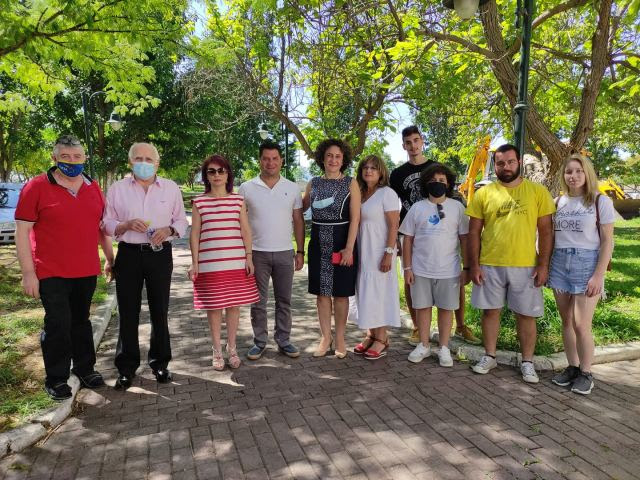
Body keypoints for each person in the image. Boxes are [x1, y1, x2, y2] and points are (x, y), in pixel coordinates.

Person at [14, 135, 113, 400]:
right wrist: (28, 273)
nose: (72, 161)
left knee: (81, 321)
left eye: (77, 156)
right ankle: (56, 378)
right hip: (50, 270)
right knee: (58, 322)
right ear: (54, 158)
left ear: (85, 158)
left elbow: (101, 228)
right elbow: (22, 232)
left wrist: (109, 258)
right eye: (65, 157)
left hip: (86, 269)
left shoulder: (93, 187)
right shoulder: (36, 187)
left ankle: (84, 368)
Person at [466, 144, 555, 383]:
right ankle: (489, 356)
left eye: (510, 162)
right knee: (490, 312)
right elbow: (473, 232)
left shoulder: (537, 192)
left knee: (526, 315)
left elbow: (546, 231)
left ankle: (527, 362)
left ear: (519, 163)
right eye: (500, 163)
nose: (506, 167)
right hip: (489, 264)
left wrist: (543, 265)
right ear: (495, 166)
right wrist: (474, 265)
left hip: (526, 265)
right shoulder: (483, 194)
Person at [103, 142, 188, 389]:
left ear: (157, 163)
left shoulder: (171, 188)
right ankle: (126, 367)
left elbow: (181, 221)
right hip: (128, 254)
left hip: (159, 254)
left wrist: (169, 230)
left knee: (159, 309)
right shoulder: (117, 189)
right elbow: (106, 223)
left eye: (149, 159)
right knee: (128, 311)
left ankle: (160, 363)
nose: (144, 163)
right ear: (130, 162)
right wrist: (125, 225)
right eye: (138, 159)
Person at [390, 125, 479, 346]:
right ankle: (418, 327)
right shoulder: (397, 174)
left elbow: (451, 195)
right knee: (412, 280)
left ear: (422, 141)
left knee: (452, 277)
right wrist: (396, 237)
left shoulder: (435, 168)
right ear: (403, 146)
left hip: (441, 229)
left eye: (416, 140)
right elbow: (393, 204)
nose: (413, 146)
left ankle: (460, 325)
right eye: (408, 142)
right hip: (411, 229)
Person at [549, 154, 614, 395]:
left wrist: (598, 275)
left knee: (581, 324)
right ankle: (573, 367)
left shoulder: (599, 201)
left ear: (587, 173)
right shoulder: (558, 202)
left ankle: (586, 373)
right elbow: (551, 237)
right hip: (559, 263)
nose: (573, 176)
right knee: (566, 321)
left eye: (578, 171)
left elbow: (607, 241)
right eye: (569, 172)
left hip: (586, 263)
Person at [189, 155, 259, 370]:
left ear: (228, 174)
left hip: (235, 262)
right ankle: (217, 350)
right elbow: (195, 234)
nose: (217, 175)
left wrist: (249, 257)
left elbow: (245, 230)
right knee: (214, 307)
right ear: (206, 176)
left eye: (221, 171)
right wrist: (194, 263)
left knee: (234, 306)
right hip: (209, 263)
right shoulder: (199, 202)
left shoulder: (238, 200)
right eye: (211, 171)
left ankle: (232, 348)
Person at [238, 141, 305, 360]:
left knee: (284, 301)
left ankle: (284, 340)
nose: (270, 163)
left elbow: (298, 220)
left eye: (275, 158)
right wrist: (245, 253)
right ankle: (259, 342)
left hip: (285, 252)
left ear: (281, 161)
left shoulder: (292, 188)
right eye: (266, 159)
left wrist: (300, 251)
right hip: (257, 253)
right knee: (258, 302)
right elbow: (240, 222)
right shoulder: (246, 188)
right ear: (260, 161)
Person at [400, 163, 469, 366]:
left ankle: (444, 347)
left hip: (449, 270)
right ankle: (424, 344)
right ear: (425, 184)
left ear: (448, 184)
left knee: (446, 308)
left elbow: (465, 239)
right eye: (432, 181)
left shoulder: (457, 208)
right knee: (422, 307)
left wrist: (467, 268)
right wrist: (407, 268)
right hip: (421, 269)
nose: (437, 184)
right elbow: (408, 239)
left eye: (441, 180)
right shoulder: (417, 208)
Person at [303, 139, 361, 358]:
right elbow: (299, 209)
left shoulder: (350, 183)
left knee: (341, 294)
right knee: (322, 294)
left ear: (343, 159)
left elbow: (356, 219)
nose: (333, 160)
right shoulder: (313, 183)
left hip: (342, 242)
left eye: (337, 156)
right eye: (329, 155)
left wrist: (349, 248)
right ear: (322, 158)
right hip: (318, 242)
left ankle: (340, 339)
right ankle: (325, 338)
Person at [353, 155, 400, 360]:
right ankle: (370, 335)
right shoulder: (360, 193)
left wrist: (388, 253)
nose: (368, 170)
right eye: (365, 167)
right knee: (366, 293)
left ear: (381, 172)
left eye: (373, 168)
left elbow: (394, 225)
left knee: (379, 294)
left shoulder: (387, 193)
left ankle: (382, 338)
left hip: (380, 250)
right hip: (363, 250)